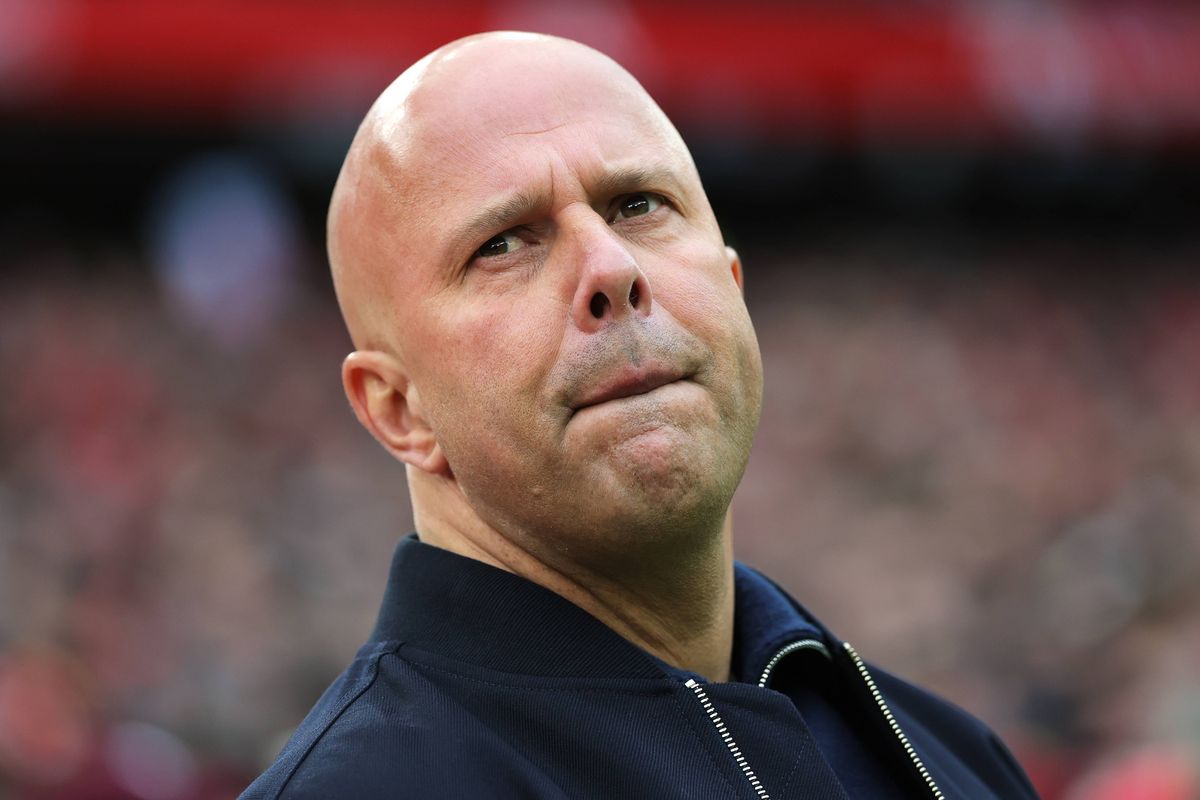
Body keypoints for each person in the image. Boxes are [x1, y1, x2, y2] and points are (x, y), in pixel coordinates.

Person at [242, 31, 1038, 799]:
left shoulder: (950, 758)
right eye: (504, 244)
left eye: (638, 205)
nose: (612, 269)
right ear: (397, 409)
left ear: (732, 284)